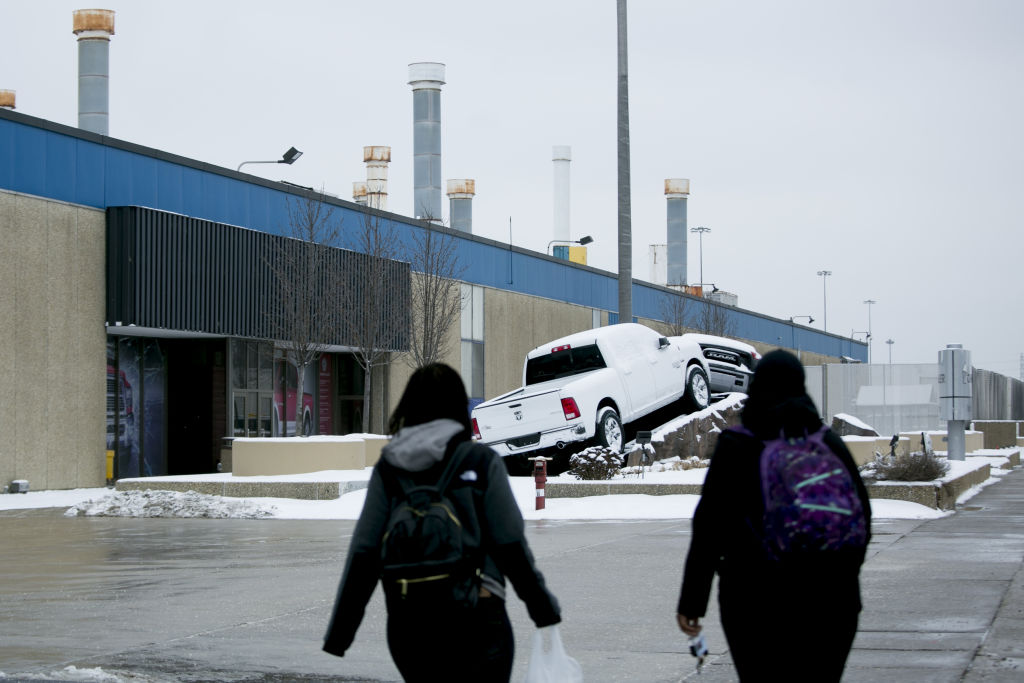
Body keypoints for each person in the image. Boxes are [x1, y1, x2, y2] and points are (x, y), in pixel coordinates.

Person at [323, 363, 561, 682]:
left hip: (409, 626)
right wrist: (541, 608)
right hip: (478, 619)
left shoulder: (389, 469)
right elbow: (510, 544)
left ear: (408, 406)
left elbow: (364, 553)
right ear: (458, 407)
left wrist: (340, 634)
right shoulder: (480, 462)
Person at [676, 349, 871, 682]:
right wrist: (836, 577)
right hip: (833, 606)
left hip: (755, 604)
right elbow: (862, 522)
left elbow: (709, 528)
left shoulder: (737, 446)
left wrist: (692, 602)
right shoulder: (829, 444)